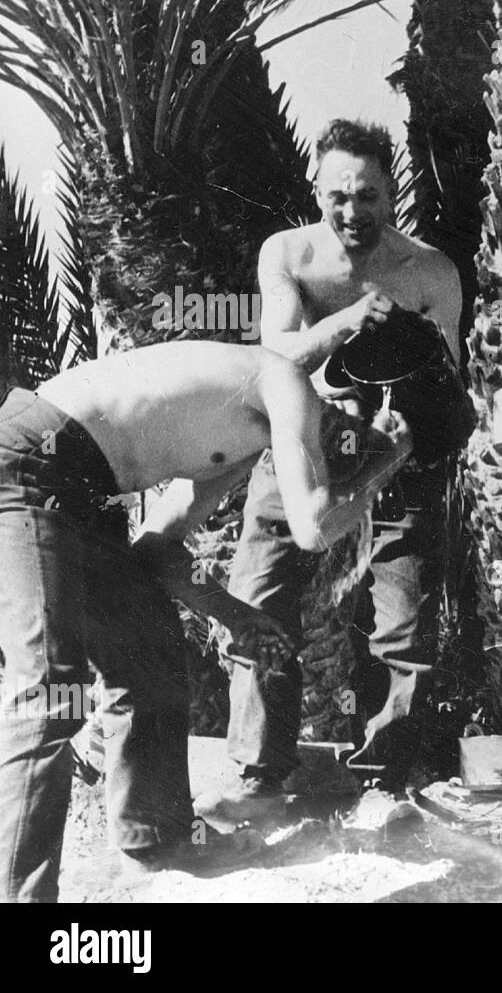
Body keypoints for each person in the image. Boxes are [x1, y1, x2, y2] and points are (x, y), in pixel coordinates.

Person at [0, 342, 412, 902]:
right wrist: (391, 457)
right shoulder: (285, 378)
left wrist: (237, 616)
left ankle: (157, 847)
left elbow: (155, 547)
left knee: (149, 658)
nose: (338, 424)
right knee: (50, 686)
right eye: (339, 423)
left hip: (84, 499)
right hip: (25, 464)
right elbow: (313, 528)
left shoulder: (246, 444)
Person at [198, 119, 465, 825]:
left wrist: (409, 427)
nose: (353, 212)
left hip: (392, 439)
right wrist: (348, 322)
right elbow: (277, 358)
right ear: (317, 192)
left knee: (402, 619)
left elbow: (453, 385)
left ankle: (386, 781)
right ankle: (260, 774)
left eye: (368, 195)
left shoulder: (431, 272)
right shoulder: (289, 253)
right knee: (259, 590)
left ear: (391, 190)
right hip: (304, 434)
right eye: (337, 196)